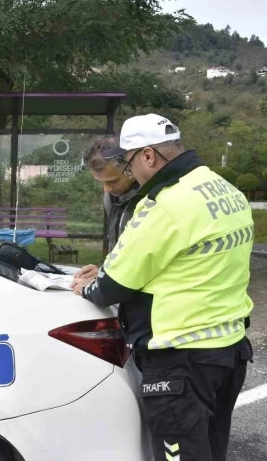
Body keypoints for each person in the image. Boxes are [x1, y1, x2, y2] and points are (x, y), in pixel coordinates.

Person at [72, 113, 254, 461]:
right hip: (228, 350)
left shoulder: (164, 205)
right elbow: (187, 263)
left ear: (148, 156)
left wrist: (87, 287)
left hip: (181, 361)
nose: (130, 174)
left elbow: (109, 288)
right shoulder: (223, 189)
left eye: (128, 164)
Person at [71, 135, 144, 287]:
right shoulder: (111, 195)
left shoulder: (152, 198)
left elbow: (143, 263)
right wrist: (103, 271)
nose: (107, 189)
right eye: (100, 182)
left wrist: (103, 285)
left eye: (113, 181)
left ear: (130, 166)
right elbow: (118, 247)